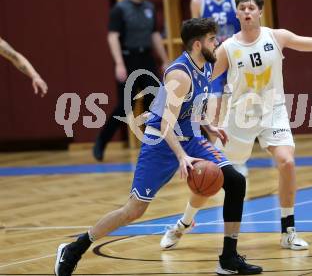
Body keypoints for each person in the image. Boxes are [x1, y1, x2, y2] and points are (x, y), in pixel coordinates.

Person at [162, 0, 312, 251]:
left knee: (287, 162)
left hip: (273, 111)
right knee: (211, 176)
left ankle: (288, 230)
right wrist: (181, 99)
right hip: (239, 118)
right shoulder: (227, 48)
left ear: (260, 12)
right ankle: (183, 223)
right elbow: (201, 79)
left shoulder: (277, 37)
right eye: (242, 8)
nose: (246, 12)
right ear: (237, 14)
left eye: (251, 8)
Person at [54, 18, 262, 276]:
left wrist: (208, 126)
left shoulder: (206, 65)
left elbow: (193, 107)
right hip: (161, 141)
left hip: (191, 136)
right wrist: (181, 155)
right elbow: (165, 122)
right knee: (134, 210)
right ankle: (75, 248)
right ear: (197, 44)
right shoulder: (179, 74)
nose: (216, 42)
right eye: (211, 39)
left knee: (235, 181)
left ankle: (228, 258)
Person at [93, 0, 169, 161]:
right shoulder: (120, 9)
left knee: (157, 102)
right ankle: (101, 142)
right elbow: (112, 37)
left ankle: (157, 146)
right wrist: (119, 64)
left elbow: (154, 35)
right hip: (128, 59)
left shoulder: (149, 8)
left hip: (147, 58)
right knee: (125, 107)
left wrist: (165, 60)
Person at [190, 0, 246, 174]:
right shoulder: (198, 1)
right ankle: (220, 159)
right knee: (213, 113)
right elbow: (196, 36)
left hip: (235, 61)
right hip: (212, 63)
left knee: (237, 113)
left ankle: (238, 159)